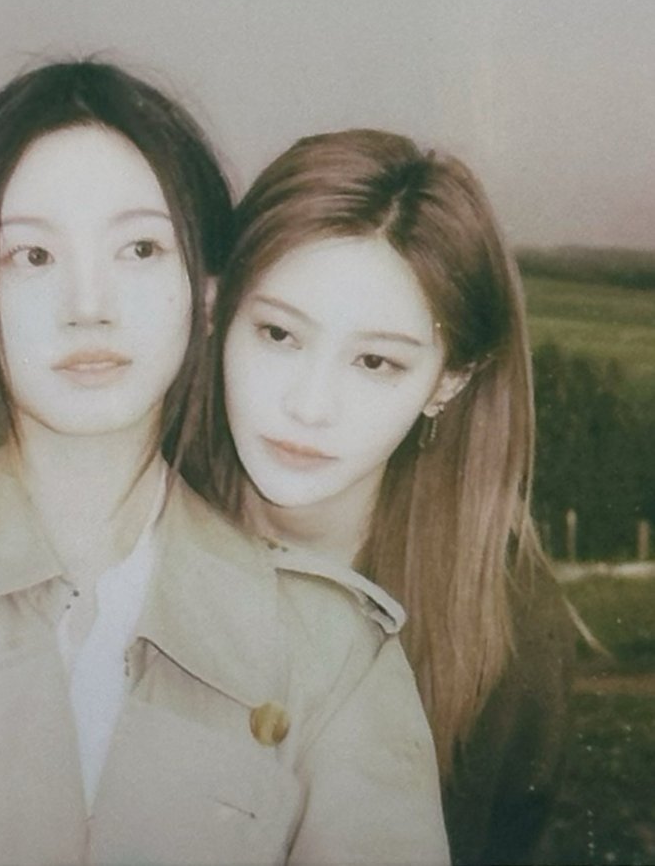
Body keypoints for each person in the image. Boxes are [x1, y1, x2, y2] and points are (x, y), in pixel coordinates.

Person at [0, 67, 449, 866]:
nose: (89, 304)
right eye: (33, 255)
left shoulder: (333, 652)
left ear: (207, 294)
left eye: (141, 248)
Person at [193, 128, 575, 866]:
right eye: (278, 334)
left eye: (374, 362)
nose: (309, 406)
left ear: (449, 380)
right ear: (218, 313)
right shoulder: (122, 541)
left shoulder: (513, 632)